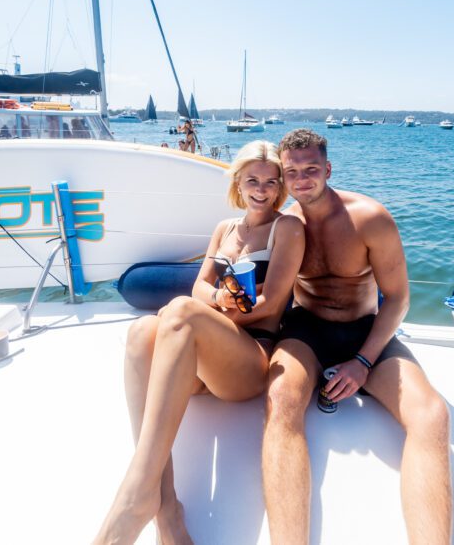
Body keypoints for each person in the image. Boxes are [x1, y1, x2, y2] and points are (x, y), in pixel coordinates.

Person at [93, 140, 305, 545]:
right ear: (238, 183)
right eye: (253, 181)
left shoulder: (287, 228)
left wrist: (225, 310)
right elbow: (199, 287)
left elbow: (273, 302)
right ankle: (165, 505)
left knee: (181, 312)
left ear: (280, 187)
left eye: (271, 181)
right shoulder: (225, 229)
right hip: (205, 359)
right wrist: (217, 300)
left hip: (249, 358)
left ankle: (136, 494)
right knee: (142, 332)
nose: (262, 189)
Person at [262, 128, 452, 545]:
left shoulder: (369, 217)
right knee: (280, 401)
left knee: (432, 415)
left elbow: (399, 298)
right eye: (291, 171)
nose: (302, 179)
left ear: (328, 169)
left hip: (365, 330)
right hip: (306, 328)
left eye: (311, 169)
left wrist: (364, 361)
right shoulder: (285, 226)